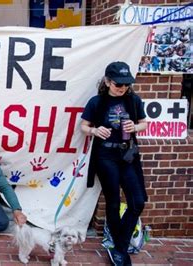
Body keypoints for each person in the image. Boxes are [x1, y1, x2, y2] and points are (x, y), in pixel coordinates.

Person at [80, 61, 148, 266]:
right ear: (108, 81)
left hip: (127, 155)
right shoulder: (96, 102)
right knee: (113, 201)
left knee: (137, 202)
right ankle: (120, 250)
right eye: (118, 84)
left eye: (126, 84)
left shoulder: (133, 100)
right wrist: (94, 131)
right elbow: (84, 126)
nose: (122, 88)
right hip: (105, 155)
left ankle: (120, 244)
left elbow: (145, 123)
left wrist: (135, 127)